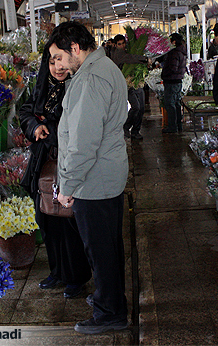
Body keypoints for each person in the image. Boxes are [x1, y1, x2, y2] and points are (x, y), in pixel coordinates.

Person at [48, 21, 129, 335]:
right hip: (105, 174)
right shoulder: (101, 68)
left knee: (100, 248)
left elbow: (83, 142)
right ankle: (109, 300)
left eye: (60, 57)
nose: (59, 64)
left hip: (94, 179)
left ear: (75, 49)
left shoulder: (90, 79)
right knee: (107, 245)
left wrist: (67, 186)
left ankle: (110, 312)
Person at [19, 44, 92, 300]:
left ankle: (76, 277)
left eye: (60, 60)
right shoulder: (42, 87)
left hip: (69, 163)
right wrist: (35, 126)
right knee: (47, 218)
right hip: (45, 165)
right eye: (51, 62)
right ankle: (57, 271)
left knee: (70, 221)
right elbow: (25, 111)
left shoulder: (78, 85)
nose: (57, 67)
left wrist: (46, 124)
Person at [109, 34, 148, 140]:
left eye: (123, 43)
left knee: (141, 108)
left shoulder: (130, 50)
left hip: (137, 82)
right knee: (136, 107)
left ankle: (136, 131)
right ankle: (126, 127)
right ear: (116, 45)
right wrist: (144, 59)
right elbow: (129, 58)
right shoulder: (117, 54)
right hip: (126, 85)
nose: (121, 46)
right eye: (119, 44)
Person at [161, 32, 187, 134]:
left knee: (170, 104)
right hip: (178, 81)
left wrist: (165, 73)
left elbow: (173, 68)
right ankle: (178, 125)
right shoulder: (182, 52)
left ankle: (172, 127)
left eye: (170, 41)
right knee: (176, 104)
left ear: (174, 42)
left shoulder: (174, 53)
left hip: (171, 81)